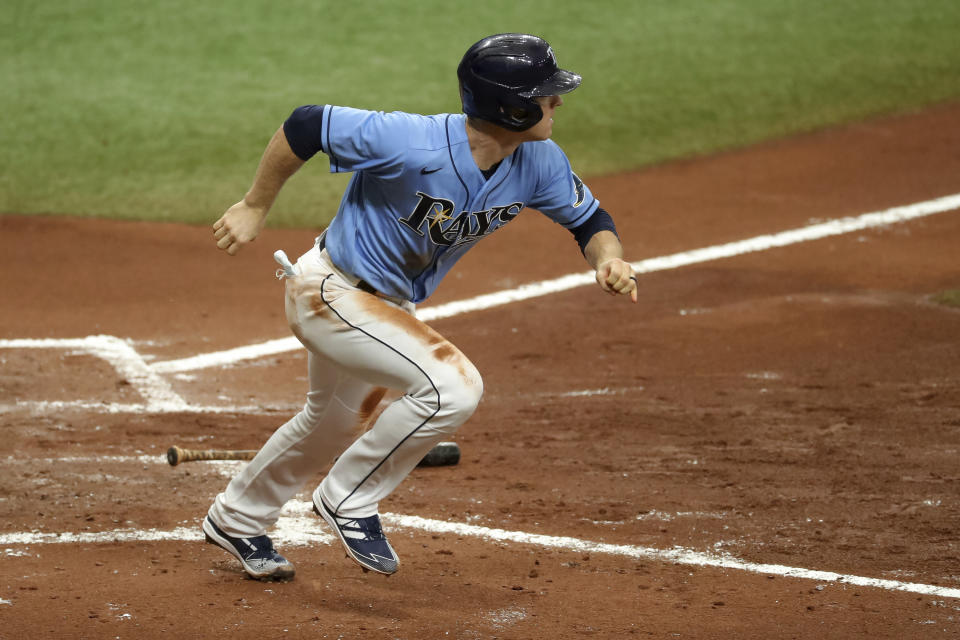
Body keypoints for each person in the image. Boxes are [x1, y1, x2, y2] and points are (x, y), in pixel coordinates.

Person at [202, 33, 638, 581]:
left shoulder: (539, 162)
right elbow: (307, 124)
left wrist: (609, 260)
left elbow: (590, 221)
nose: (557, 102)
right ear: (511, 105)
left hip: (383, 305)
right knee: (453, 388)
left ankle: (237, 518)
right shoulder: (414, 141)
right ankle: (348, 498)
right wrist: (253, 204)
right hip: (330, 293)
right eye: (545, 94)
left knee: (331, 423)